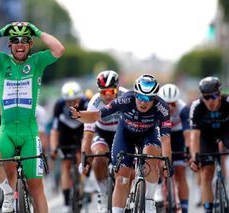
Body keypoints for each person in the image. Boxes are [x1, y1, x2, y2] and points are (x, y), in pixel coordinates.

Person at [0, 21, 65, 213]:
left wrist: (37, 31)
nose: (20, 44)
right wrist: (0, 32)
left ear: (30, 44)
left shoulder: (37, 62)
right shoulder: (2, 62)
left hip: (29, 134)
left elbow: (58, 49)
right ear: (10, 44)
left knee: (36, 190)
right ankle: (7, 193)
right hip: (6, 132)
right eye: (15, 40)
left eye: (25, 40)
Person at [70, 74, 172, 213]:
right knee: (122, 179)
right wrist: (80, 115)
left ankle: (149, 201)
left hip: (148, 135)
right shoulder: (125, 100)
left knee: (151, 159)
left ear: (154, 98)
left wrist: (167, 163)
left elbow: (166, 140)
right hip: (125, 135)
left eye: (148, 98)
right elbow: (95, 116)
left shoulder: (162, 108)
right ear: (135, 94)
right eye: (140, 97)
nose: (143, 102)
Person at [80, 70, 127, 212]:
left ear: (117, 88)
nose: (107, 95)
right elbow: (88, 134)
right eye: (103, 92)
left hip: (123, 134)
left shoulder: (127, 97)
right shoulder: (94, 102)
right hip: (103, 133)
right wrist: (85, 158)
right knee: (98, 154)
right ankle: (102, 192)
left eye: (111, 91)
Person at [189, 76, 229, 213]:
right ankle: (208, 209)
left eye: (214, 96)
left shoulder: (227, 101)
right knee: (206, 174)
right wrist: (194, 157)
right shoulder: (197, 107)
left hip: (226, 132)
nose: (210, 101)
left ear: (219, 94)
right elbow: (194, 135)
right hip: (207, 137)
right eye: (206, 97)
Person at [50, 81, 88, 212]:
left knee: (81, 159)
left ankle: (82, 189)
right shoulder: (59, 105)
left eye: (74, 101)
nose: (71, 104)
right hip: (65, 133)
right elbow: (55, 130)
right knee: (65, 165)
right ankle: (67, 202)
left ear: (79, 98)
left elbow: (91, 128)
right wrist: (54, 148)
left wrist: (87, 149)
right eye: (68, 101)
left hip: (80, 132)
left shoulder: (85, 103)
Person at [157, 83, 190, 213]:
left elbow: (188, 134)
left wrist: (188, 151)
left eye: (173, 104)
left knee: (180, 172)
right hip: (160, 133)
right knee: (158, 163)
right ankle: (159, 187)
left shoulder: (183, 108)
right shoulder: (156, 107)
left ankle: (185, 208)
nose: (170, 107)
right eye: (167, 104)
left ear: (177, 102)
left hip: (177, 135)